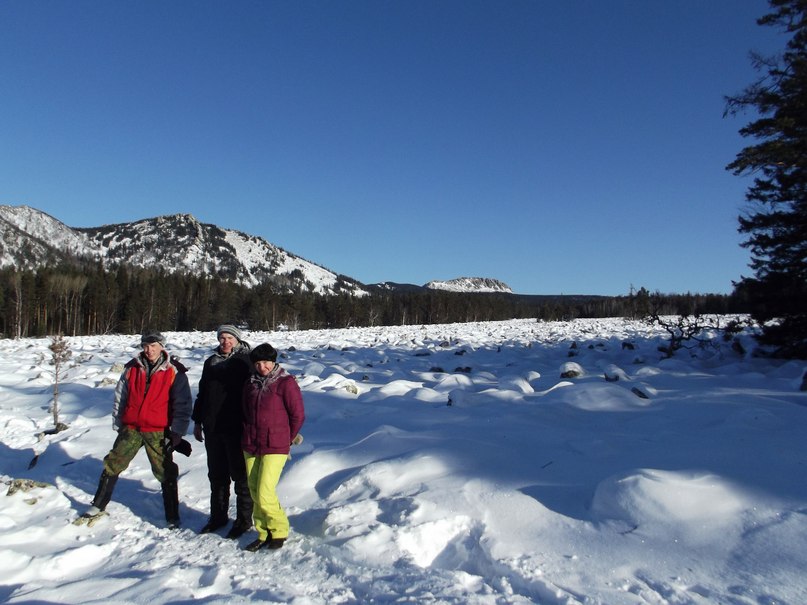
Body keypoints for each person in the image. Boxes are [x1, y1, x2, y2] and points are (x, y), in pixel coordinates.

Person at [80, 331, 192, 528]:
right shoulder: (132, 368)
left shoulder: (174, 371)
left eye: (154, 346)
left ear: (162, 347)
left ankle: (172, 515)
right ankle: (98, 504)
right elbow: (120, 396)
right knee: (113, 463)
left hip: (157, 430)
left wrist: (178, 431)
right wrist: (118, 422)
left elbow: (182, 404)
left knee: (165, 470)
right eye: (146, 346)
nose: (149, 350)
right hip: (131, 427)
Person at [192, 324, 253, 538]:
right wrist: (198, 421)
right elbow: (202, 393)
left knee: (240, 476)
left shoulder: (247, 361)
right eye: (222, 338)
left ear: (237, 340)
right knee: (217, 475)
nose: (225, 342)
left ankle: (244, 520)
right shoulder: (211, 362)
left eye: (229, 338)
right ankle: (218, 517)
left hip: (236, 427)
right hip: (213, 427)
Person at [241, 343, 305, 551]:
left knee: (264, 491)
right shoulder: (250, 383)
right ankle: (263, 531)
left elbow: (297, 415)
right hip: (251, 443)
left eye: (267, 362)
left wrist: (287, 438)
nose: (263, 367)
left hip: (275, 444)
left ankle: (279, 529)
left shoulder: (285, 383)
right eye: (258, 363)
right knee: (253, 490)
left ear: (274, 361)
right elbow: (244, 411)